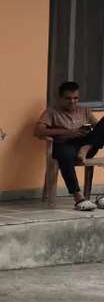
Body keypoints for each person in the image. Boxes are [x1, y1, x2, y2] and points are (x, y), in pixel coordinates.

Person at [35, 81, 104, 210]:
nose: (72, 102)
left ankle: (85, 148)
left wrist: (89, 131)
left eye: (75, 98)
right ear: (60, 98)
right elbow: (38, 131)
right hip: (64, 145)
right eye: (68, 98)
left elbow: (98, 128)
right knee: (64, 155)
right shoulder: (52, 112)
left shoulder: (84, 110)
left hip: (84, 145)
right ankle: (78, 197)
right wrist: (69, 132)